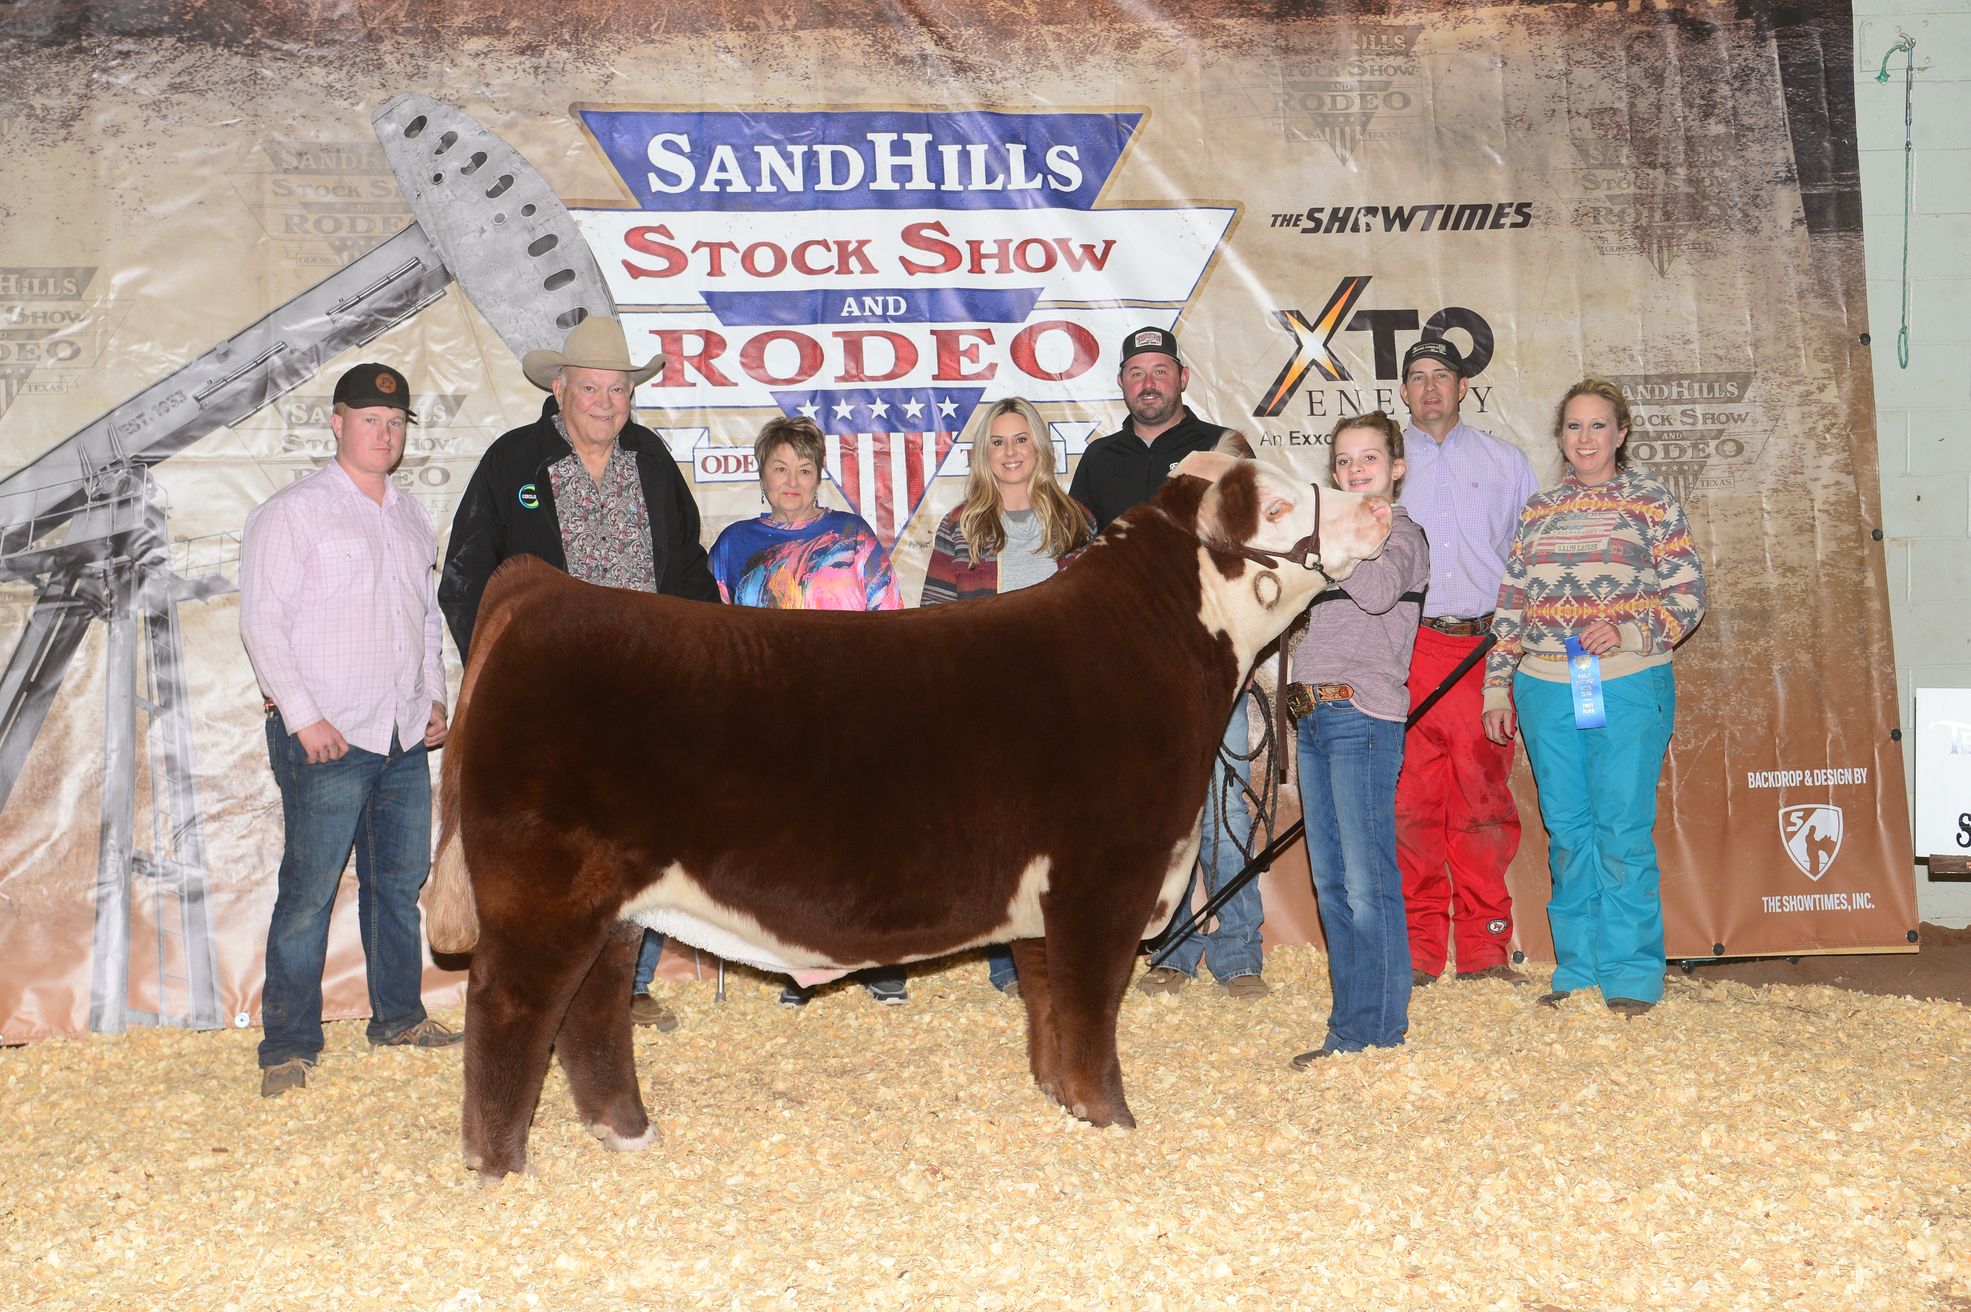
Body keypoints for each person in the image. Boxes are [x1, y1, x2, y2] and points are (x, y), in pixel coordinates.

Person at [439, 315, 720, 1031]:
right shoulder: (514, 463)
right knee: (553, 854)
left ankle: (625, 988)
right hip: (550, 701)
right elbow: (467, 579)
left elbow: (686, 565)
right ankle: (546, 989)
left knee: (639, 847)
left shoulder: (650, 460)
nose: (605, 402)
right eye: (591, 387)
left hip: (645, 697)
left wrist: (699, 659)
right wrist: (503, 679)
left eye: (617, 389)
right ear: (559, 389)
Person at [240, 363, 459, 1097]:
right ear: (337, 423)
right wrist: (303, 719)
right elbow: (262, 623)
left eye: (395, 424)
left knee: (397, 886)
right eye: (369, 420)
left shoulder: (410, 513)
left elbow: (424, 619)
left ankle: (397, 1016)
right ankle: (289, 1045)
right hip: (327, 736)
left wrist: (433, 696)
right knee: (307, 894)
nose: (384, 433)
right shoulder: (293, 511)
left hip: (398, 732)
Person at [1482, 379, 1706, 1016]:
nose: (1586, 438)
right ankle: (1577, 970)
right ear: (1561, 436)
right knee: (1569, 833)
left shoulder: (1653, 503)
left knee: (1622, 830)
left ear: (1622, 433)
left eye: (1598, 426)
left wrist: (1631, 628)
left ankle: (1632, 975)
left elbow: (1688, 595)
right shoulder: (1538, 510)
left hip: (1630, 684)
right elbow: (1513, 604)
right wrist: (1498, 683)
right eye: (1574, 427)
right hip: (1546, 688)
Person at [1068, 326, 1269, 1000]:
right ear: (1122, 384)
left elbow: (1258, 544)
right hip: (1131, 669)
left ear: (1182, 377)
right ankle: (1173, 952)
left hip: (1213, 657)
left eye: (1160, 369)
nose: (1148, 382)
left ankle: (1238, 954)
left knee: (1224, 810)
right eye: (1135, 372)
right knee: (1155, 811)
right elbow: (1079, 558)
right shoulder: (1099, 460)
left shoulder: (1222, 448)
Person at [709, 415, 907, 1006]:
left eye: (804, 469)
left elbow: (891, 621)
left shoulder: (853, 535)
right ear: (761, 473)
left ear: (820, 476)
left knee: (864, 838)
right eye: (780, 468)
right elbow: (717, 637)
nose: (791, 480)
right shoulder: (732, 546)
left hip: (850, 710)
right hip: (767, 716)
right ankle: (800, 963)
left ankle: (880, 961)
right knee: (788, 845)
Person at [920, 396, 1097, 996]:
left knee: (1058, 834)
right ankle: (1005, 959)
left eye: (1021, 439)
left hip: (1059, 702)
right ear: (984, 454)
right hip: (985, 702)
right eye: (998, 442)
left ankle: (1057, 952)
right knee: (996, 832)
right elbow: (934, 618)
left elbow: (1097, 622)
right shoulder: (961, 523)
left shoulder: (1076, 522)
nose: (1011, 451)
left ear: (1040, 448)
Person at [1392, 338, 1538, 986]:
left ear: (1463, 389)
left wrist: (1511, 654)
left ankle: (1484, 950)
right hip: (1408, 646)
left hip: (1482, 648)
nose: (1429, 388)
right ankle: (1419, 952)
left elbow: (1527, 562)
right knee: (1411, 806)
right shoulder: (1383, 463)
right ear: (1402, 393)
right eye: (1417, 378)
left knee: (1482, 805)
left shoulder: (1505, 463)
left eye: (1441, 377)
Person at [1286, 412, 1429, 1068]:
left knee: (1366, 878)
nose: (1354, 471)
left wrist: (1330, 543)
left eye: (1367, 458)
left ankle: (1379, 1029)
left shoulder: (1402, 533)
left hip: (1362, 715)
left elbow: (1374, 593)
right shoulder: (1333, 543)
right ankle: (1350, 1028)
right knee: (1332, 881)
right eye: (1343, 462)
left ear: (1395, 468)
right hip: (1312, 716)